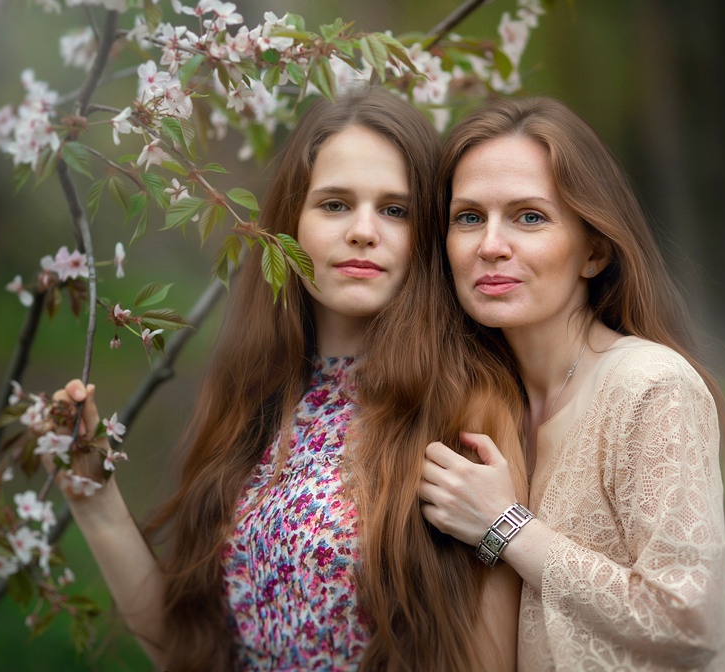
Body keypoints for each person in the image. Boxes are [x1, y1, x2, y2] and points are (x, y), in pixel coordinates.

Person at [52, 88, 526, 671]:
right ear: (290, 226)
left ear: (428, 233)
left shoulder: (465, 410)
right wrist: (95, 496)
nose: (362, 231)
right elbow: (191, 653)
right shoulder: (254, 397)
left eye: (395, 210)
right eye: (334, 204)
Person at [418, 97, 725, 671]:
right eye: (469, 217)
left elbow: (690, 618)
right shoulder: (478, 401)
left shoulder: (650, 388)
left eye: (529, 217)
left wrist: (506, 528)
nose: (490, 245)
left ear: (593, 251)